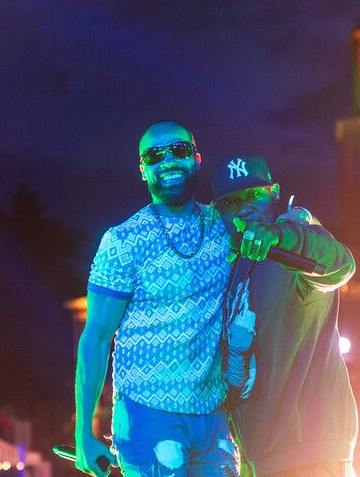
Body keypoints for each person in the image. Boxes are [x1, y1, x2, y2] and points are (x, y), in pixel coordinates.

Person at [75, 121, 240, 476]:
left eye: (178, 151)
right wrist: (83, 433)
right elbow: (96, 337)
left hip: (212, 413)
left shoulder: (225, 227)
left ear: (196, 159)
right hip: (147, 411)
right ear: (143, 170)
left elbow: (275, 221)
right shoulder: (123, 241)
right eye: (154, 155)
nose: (167, 161)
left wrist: (301, 221)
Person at [211, 154, 357, 477]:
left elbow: (341, 265)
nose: (244, 207)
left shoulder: (292, 238)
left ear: (274, 193)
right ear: (218, 212)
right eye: (231, 202)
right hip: (258, 462)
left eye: (253, 195)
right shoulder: (230, 270)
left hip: (309, 457)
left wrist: (280, 236)